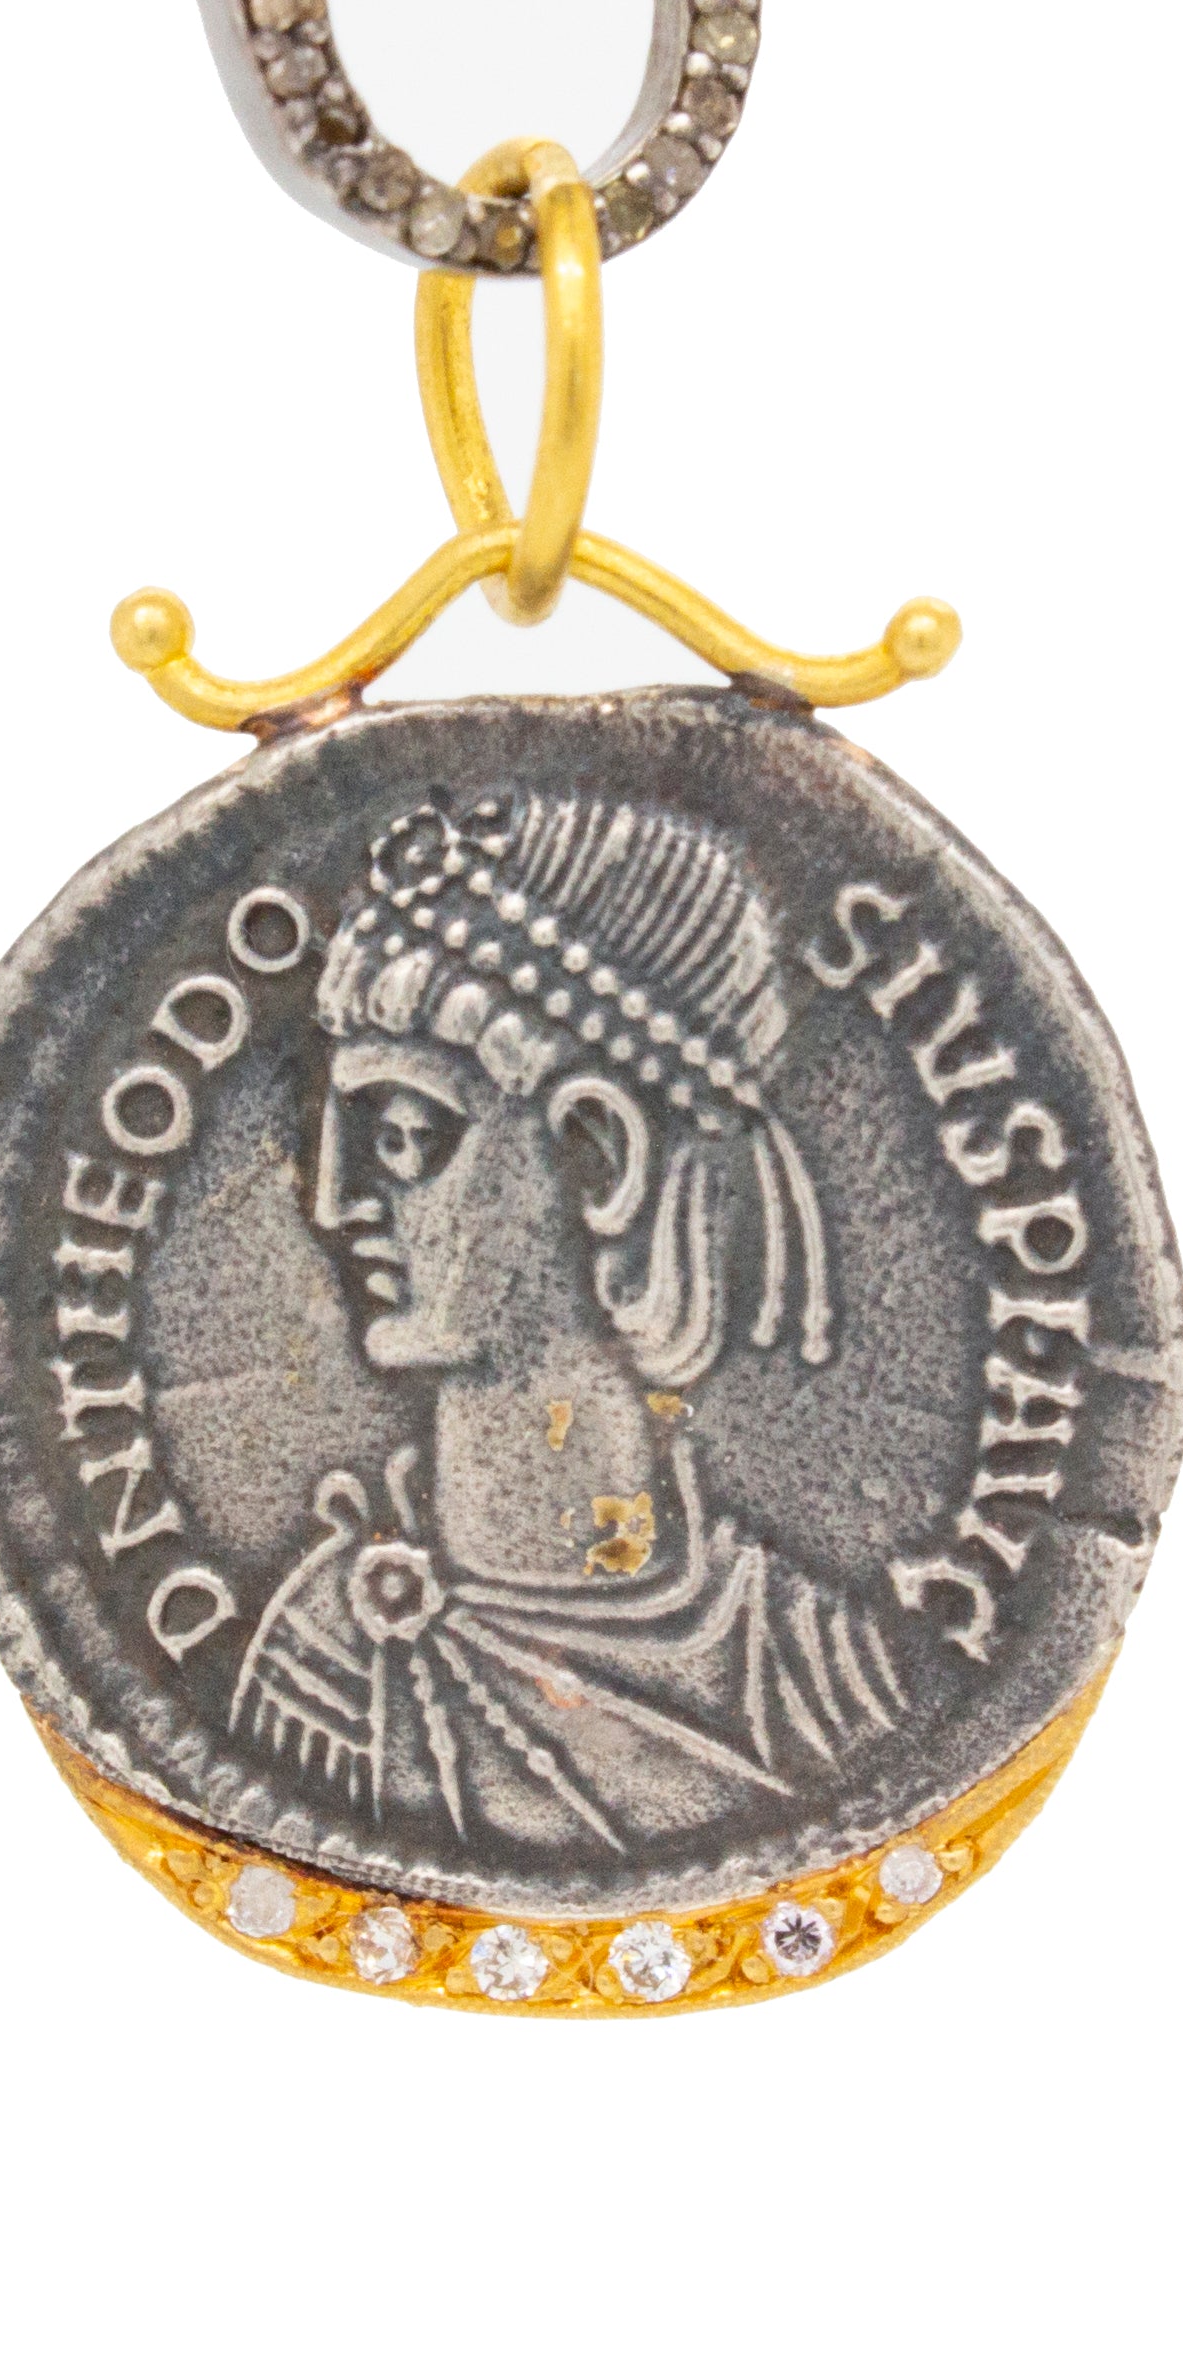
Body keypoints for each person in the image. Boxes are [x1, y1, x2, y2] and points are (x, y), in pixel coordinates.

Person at [231, 787, 912, 1852]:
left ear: (601, 1159)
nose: (333, 1201)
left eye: (404, 1133)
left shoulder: (819, 1671)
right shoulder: (330, 1664)